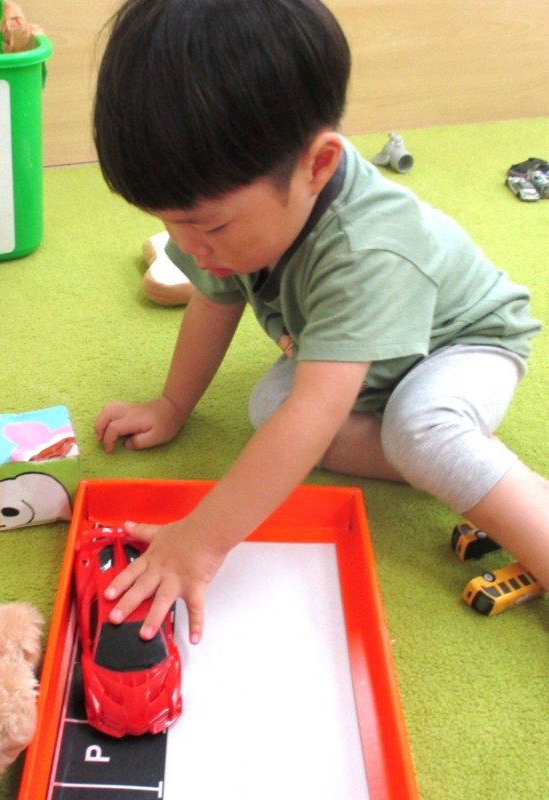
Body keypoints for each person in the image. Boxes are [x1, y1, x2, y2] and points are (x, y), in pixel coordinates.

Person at [93, 0, 546, 645]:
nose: (188, 246)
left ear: (318, 165)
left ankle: (494, 482)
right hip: (364, 360)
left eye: (208, 225)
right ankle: (453, 455)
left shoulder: (367, 247)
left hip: (462, 345)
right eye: (169, 222)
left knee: (414, 427)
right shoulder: (227, 218)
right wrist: (171, 404)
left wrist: (202, 539)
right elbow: (215, 300)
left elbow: (315, 413)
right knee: (272, 409)